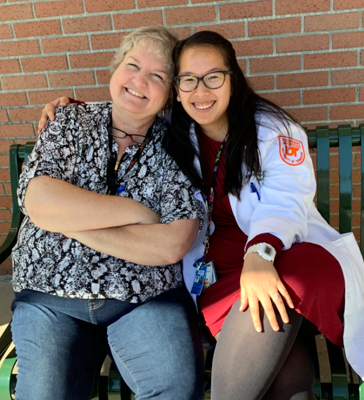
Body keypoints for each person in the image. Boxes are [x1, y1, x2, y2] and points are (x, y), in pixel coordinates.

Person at [39, 30, 364, 400]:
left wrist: (261, 255)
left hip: (277, 259)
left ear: (232, 78)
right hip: (218, 277)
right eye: (188, 80)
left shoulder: (275, 131)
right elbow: (129, 112)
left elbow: (286, 201)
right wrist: (72, 107)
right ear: (177, 90)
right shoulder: (175, 133)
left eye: (213, 77)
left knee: (287, 280)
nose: (201, 91)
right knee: (284, 362)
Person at [11, 26, 206, 400]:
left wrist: (67, 222)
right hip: (50, 296)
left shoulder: (178, 144)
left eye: (157, 76)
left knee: (176, 391)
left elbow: (171, 244)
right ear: (114, 71)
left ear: (169, 95)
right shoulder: (69, 122)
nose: (139, 81)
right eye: (132, 65)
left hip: (144, 298)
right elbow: (38, 201)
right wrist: (135, 212)